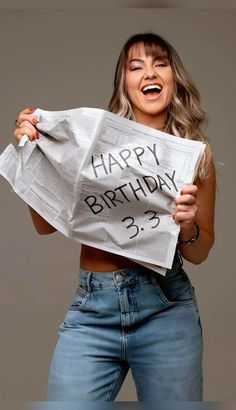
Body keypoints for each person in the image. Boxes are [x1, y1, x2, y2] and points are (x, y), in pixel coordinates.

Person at [13, 32, 215, 401]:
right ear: (124, 83)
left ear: (173, 77)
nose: (149, 73)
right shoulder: (93, 145)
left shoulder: (195, 156)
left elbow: (199, 251)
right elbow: (45, 224)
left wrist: (187, 224)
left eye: (160, 64)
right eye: (135, 67)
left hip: (166, 309)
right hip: (93, 312)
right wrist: (34, 154)